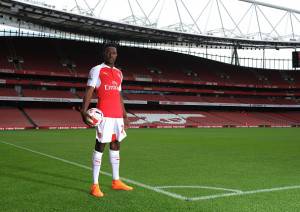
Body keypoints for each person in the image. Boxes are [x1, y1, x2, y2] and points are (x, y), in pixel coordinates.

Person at [81, 43, 133, 198]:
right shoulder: (97, 69)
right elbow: (89, 90)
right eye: (109, 52)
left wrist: (124, 115)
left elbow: (119, 95)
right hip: (104, 115)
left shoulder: (119, 73)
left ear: (117, 55)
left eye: (114, 53)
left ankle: (116, 181)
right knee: (100, 146)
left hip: (117, 115)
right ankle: (94, 185)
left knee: (116, 144)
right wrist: (83, 111)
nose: (112, 55)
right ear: (104, 54)